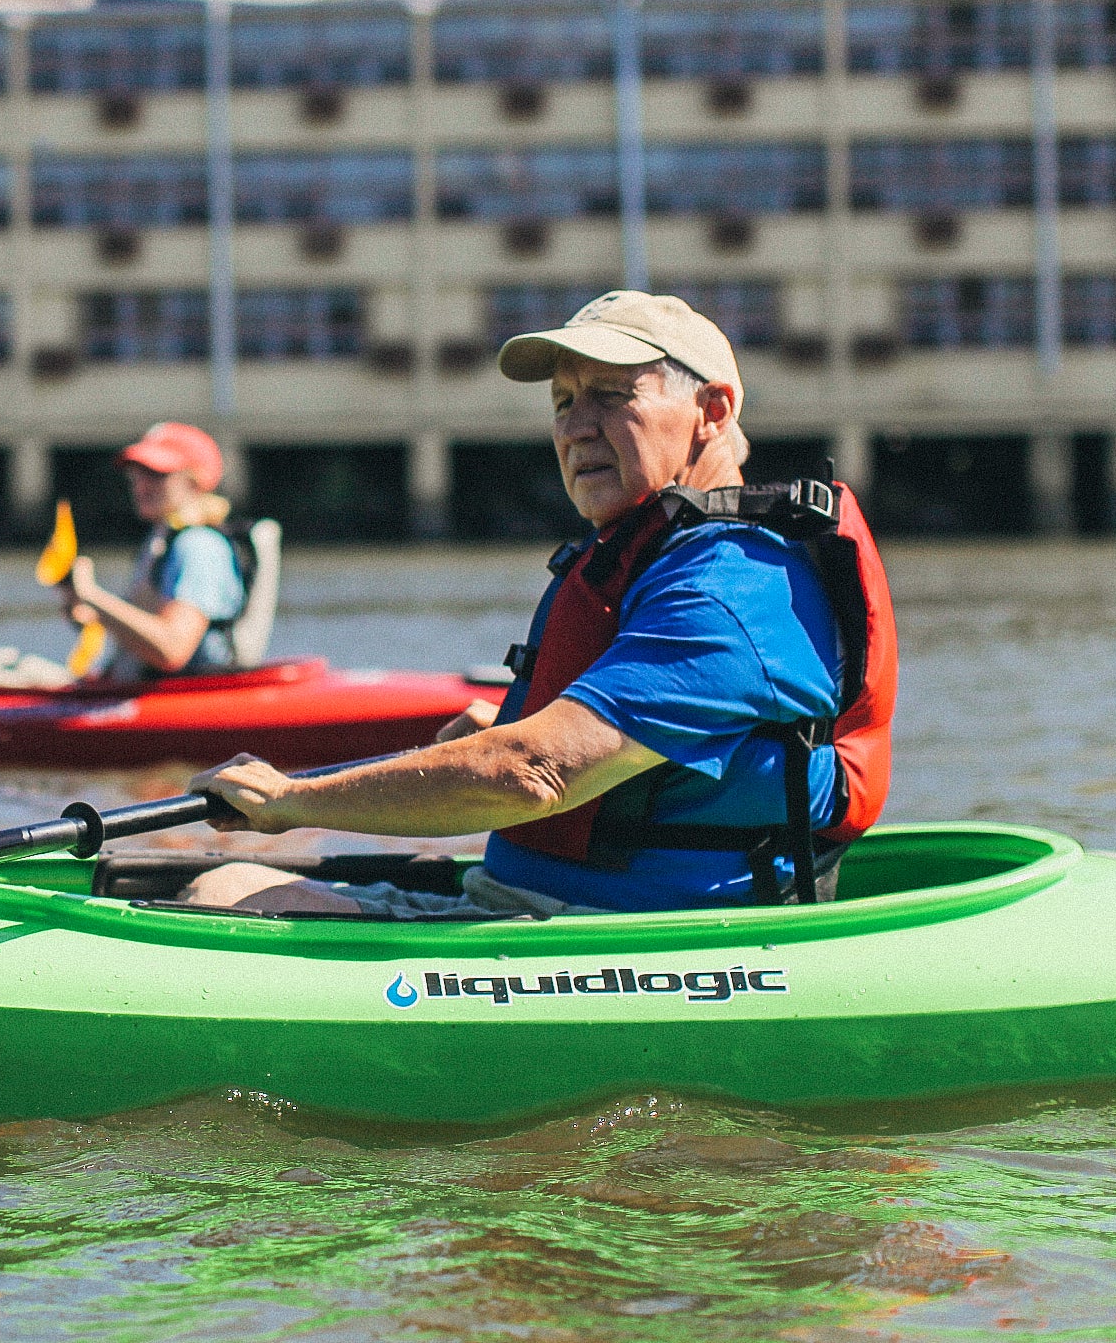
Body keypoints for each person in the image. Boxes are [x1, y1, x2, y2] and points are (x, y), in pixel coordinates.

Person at [180, 290, 894, 918]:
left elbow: (533, 772)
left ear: (712, 411)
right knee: (195, 879)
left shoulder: (730, 587)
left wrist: (291, 800)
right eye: (563, 402)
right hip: (536, 900)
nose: (576, 427)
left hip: (608, 932)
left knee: (221, 894)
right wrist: (510, 722)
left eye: (612, 396)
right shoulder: (662, 555)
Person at [60, 421, 250, 679]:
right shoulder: (160, 542)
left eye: (157, 474)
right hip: (148, 690)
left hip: (191, 697)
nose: (140, 485)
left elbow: (172, 650)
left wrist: (92, 595)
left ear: (196, 481)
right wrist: (89, 610)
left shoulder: (200, 546)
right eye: (136, 474)